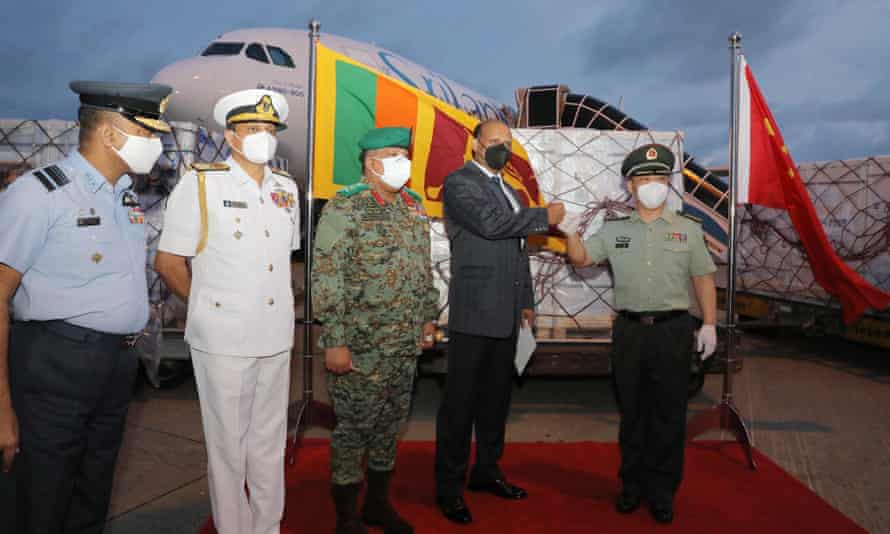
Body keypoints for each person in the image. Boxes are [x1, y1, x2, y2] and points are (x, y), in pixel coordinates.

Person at [0, 80, 171, 533]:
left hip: (116, 365)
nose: (157, 145)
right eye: (148, 133)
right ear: (112, 135)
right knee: (42, 495)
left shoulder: (125, 198)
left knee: (92, 490)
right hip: (55, 363)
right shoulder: (40, 194)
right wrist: (1, 406)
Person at [154, 89, 300, 534]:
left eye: (270, 130)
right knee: (228, 448)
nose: (264, 138)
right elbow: (169, 262)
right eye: (253, 130)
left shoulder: (286, 189)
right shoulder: (203, 183)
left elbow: (280, 261)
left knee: (268, 443)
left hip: (275, 335)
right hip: (223, 339)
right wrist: (205, 310)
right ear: (232, 138)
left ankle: (267, 526)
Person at [563, 143, 718, 524]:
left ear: (669, 184)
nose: (654, 185)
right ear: (630, 186)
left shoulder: (686, 229)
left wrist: (710, 323)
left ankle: (663, 492)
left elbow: (703, 277)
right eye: (645, 178)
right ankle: (631, 487)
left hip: (673, 331)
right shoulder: (615, 231)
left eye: (660, 178)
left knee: (669, 415)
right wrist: (569, 232)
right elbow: (582, 259)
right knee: (632, 415)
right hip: (631, 332)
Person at [434, 119, 566, 524]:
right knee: (460, 407)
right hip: (474, 313)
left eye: (506, 144)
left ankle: (487, 472)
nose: (500, 149)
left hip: (508, 314)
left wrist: (526, 300)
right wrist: (544, 215)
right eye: (493, 142)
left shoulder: (509, 190)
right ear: (475, 145)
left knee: (495, 403)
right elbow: (492, 226)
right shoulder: (459, 184)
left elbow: (517, 249)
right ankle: (449, 490)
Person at [312, 126, 438, 534]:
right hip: (360, 345)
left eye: (405, 153)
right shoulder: (345, 207)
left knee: (389, 428)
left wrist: (427, 316)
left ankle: (377, 505)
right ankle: (346, 517)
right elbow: (327, 276)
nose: (403, 162)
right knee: (354, 429)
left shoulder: (413, 207)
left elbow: (423, 270)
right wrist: (334, 340)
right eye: (393, 154)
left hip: (403, 344)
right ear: (371, 163)